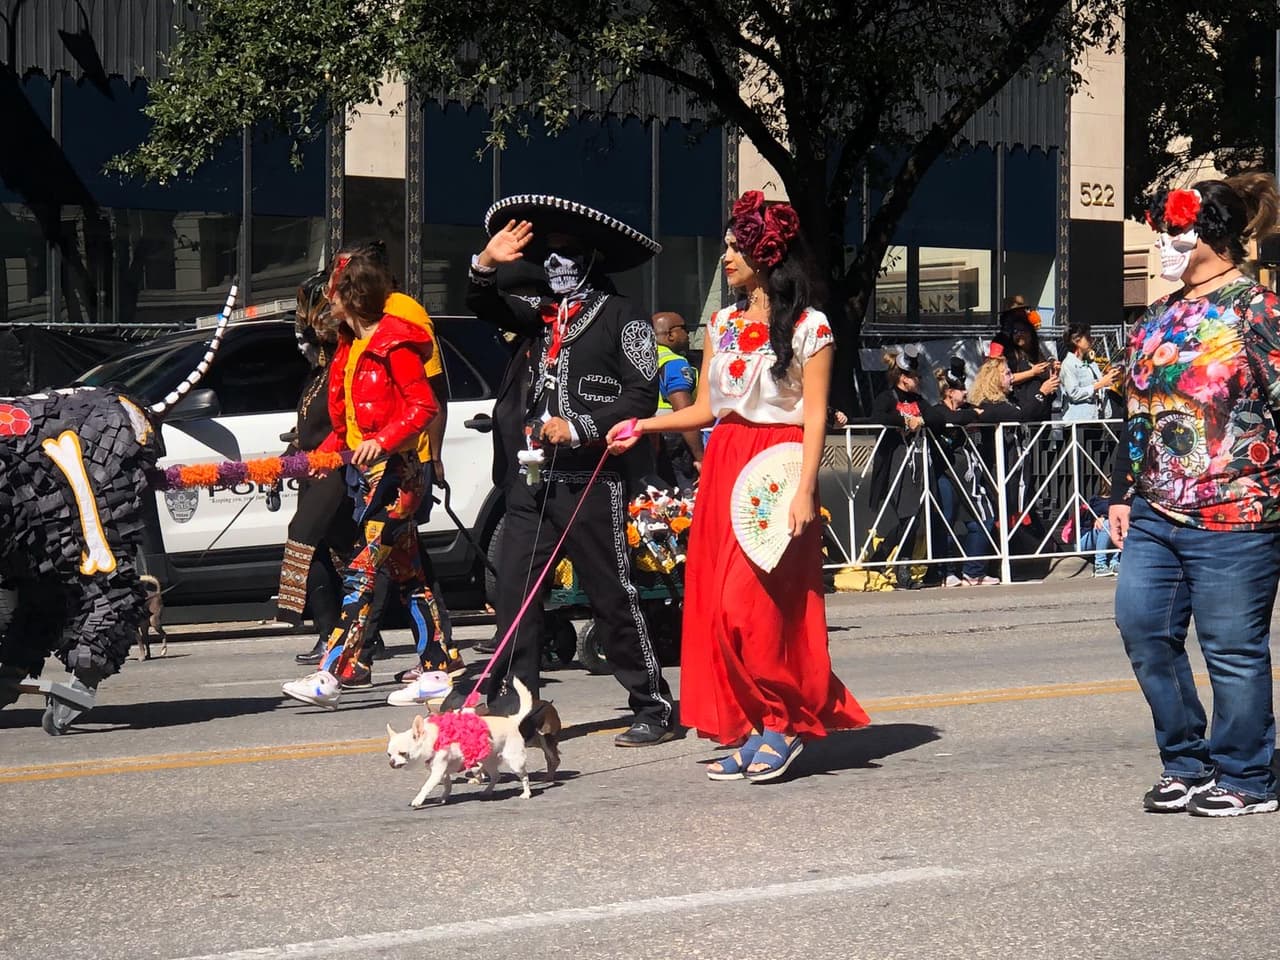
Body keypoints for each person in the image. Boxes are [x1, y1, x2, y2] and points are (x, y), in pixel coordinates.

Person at [608, 189, 870, 781]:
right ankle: (755, 724)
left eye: (736, 246)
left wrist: (807, 489)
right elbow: (706, 408)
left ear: (766, 253)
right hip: (727, 464)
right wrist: (642, 423)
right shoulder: (722, 322)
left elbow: (814, 415)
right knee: (716, 610)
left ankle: (782, 722)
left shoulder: (811, 327)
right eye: (727, 245)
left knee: (752, 606)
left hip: (776, 470)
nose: (726, 256)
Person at [465, 195, 675, 747]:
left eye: (568, 255)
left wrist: (578, 425)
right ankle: (517, 710)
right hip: (530, 483)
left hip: (590, 479)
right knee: (515, 594)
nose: (555, 265)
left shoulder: (622, 315)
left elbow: (642, 394)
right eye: (548, 256)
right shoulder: (539, 314)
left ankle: (652, 704)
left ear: (591, 260)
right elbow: (483, 303)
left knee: (612, 595)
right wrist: (488, 262)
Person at [1110, 173, 1280, 817]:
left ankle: (1246, 776)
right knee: (1143, 629)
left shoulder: (1257, 312)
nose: (1165, 241)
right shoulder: (1156, 316)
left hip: (1238, 510)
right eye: (1163, 229)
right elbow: (1137, 409)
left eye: (1176, 230)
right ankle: (1186, 761)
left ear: (1212, 234)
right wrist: (1123, 490)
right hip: (1156, 509)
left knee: (1231, 650)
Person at [281, 244, 448, 709]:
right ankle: (437, 669)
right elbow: (347, 424)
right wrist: (325, 454)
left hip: (398, 476)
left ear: (350, 297)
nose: (326, 302)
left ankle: (331, 672)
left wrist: (387, 439)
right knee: (409, 576)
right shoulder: (350, 346)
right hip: (370, 476)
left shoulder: (395, 343)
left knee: (360, 569)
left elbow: (424, 405)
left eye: (332, 294)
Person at [274, 272, 368, 665]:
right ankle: (342, 633)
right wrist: (293, 452)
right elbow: (311, 425)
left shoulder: (342, 371)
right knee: (343, 551)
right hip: (312, 472)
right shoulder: (317, 374)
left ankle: (339, 633)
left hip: (334, 470)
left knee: (304, 538)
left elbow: (342, 424)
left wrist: (322, 456)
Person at [964, 343, 1059, 583]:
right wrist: (1041, 392)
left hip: (1015, 468)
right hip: (996, 469)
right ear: (994, 378)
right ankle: (993, 565)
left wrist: (1047, 388)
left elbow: (1032, 410)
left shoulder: (1009, 399)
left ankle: (1004, 562)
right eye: (1007, 373)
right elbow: (1020, 414)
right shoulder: (989, 404)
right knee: (996, 516)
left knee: (1011, 513)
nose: (1011, 377)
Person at [923, 359, 990, 587]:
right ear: (950, 392)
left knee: (980, 520)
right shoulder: (938, 410)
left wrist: (975, 413)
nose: (966, 392)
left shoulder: (966, 409)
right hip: (944, 473)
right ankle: (945, 570)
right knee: (945, 518)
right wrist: (974, 415)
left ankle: (974, 570)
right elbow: (948, 419)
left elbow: (987, 413)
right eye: (961, 389)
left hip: (966, 476)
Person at [866, 346, 928, 588]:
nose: (919, 380)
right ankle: (902, 568)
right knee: (908, 515)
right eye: (915, 377)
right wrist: (904, 420)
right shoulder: (887, 398)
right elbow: (877, 418)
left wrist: (922, 419)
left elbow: (936, 415)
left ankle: (881, 556)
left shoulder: (918, 401)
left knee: (911, 517)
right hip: (894, 461)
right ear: (904, 378)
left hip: (916, 462)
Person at [651, 311, 704, 492]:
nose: (688, 334)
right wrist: (700, 457)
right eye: (684, 329)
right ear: (671, 335)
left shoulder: (645, 360)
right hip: (675, 444)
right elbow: (684, 413)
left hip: (650, 443)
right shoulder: (674, 363)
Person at [1059, 323, 1120, 422]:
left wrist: (1109, 377)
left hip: (1097, 416)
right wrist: (1100, 384)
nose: (1092, 340)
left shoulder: (1091, 362)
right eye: (1088, 337)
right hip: (1078, 420)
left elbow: (1097, 382)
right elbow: (1074, 394)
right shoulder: (1068, 364)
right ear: (1076, 341)